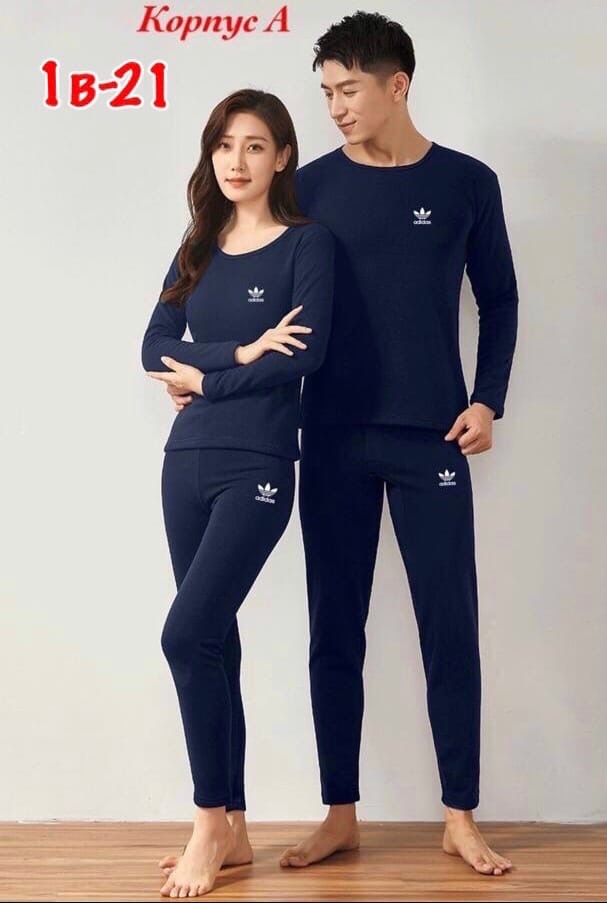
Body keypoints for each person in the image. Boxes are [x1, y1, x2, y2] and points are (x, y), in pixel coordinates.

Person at [161, 9, 517, 883]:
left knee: (449, 624)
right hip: (327, 436)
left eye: (348, 90)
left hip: (433, 434)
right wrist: (216, 367)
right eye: (324, 92)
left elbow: (499, 298)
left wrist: (487, 399)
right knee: (334, 628)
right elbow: (244, 278)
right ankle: (339, 813)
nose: (335, 107)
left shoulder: (468, 182)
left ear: (397, 85)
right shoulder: (307, 191)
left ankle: (460, 817)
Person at [141, 88, 334, 898]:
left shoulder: (307, 244)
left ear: (282, 157)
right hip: (183, 462)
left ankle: (206, 820)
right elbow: (154, 347)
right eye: (224, 144)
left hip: (256, 463)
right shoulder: (199, 243)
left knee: (184, 635)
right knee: (213, 639)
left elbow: (306, 354)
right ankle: (239, 827)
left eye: (254, 145)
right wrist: (242, 351)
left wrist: (207, 374)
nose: (236, 160)